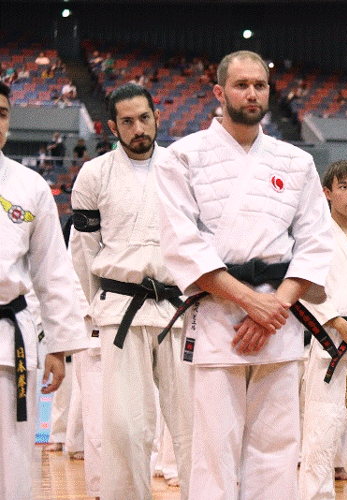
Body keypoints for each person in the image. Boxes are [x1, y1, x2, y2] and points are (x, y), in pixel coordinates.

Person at [155, 50, 332, 500]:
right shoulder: (182, 157)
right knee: (214, 450)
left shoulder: (296, 162)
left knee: (277, 449)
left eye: (260, 85)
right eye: (241, 85)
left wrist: (274, 306)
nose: (251, 93)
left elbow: (315, 242)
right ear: (219, 92)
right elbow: (183, 245)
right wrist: (251, 303)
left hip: (279, 319)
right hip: (218, 320)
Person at [70, 83, 193, 500]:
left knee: (193, 423)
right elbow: (84, 254)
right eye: (127, 121)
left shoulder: (182, 167)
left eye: (144, 118)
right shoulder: (94, 174)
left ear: (156, 117)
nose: (138, 128)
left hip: (178, 309)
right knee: (125, 427)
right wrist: (96, 307)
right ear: (112, 127)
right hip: (120, 308)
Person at [0, 80, 87, 500]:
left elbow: (53, 270)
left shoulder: (29, 186)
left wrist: (58, 345)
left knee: (13, 459)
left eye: (1, 113)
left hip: (8, 341)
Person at [298, 159, 347, 500]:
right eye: (343, 187)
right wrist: (337, 323)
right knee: (320, 437)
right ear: (327, 192)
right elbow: (305, 286)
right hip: (330, 341)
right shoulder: (315, 234)